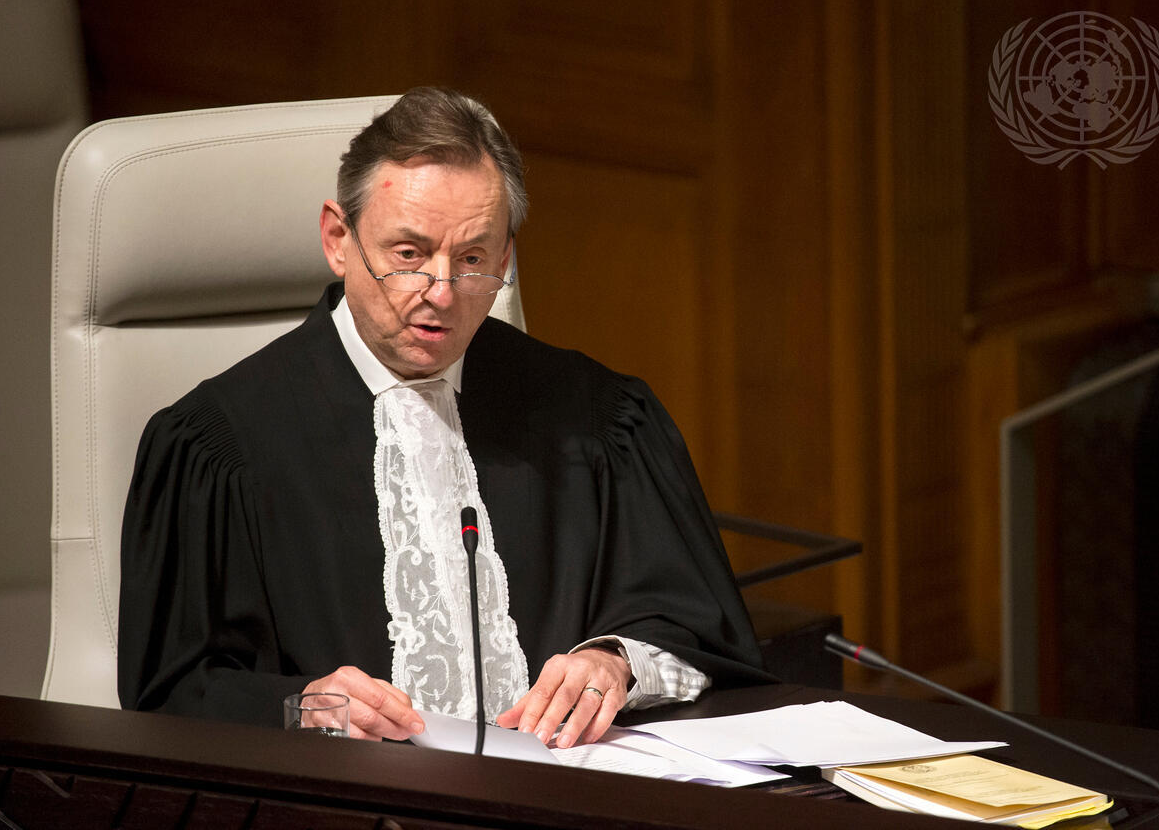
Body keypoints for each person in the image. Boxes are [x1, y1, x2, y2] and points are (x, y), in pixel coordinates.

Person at [118, 87, 769, 750]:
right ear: (338, 239)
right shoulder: (219, 445)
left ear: (506, 257)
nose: (441, 293)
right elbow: (171, 696)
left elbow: (697, 627)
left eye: (472, 259)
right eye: (408, 254)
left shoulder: (595, 417)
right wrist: (304, 706)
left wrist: (613, 661)